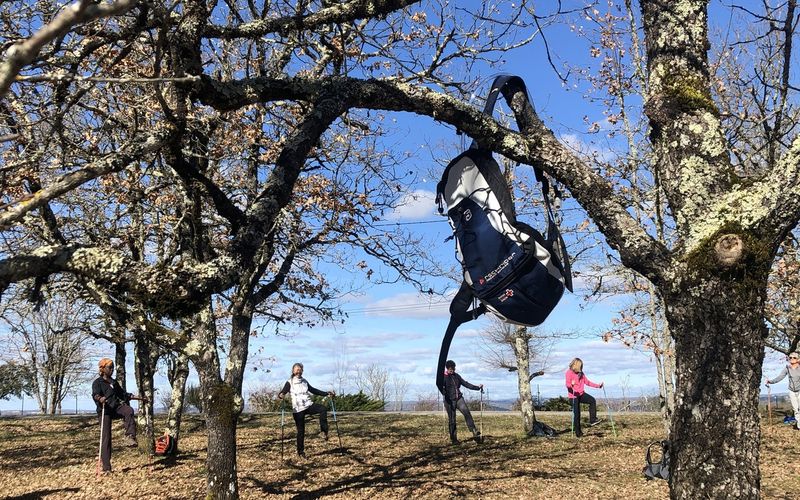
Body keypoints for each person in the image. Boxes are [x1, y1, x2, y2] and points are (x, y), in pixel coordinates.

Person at [91, 358, 146, 473]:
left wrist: (140, 398)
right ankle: (106, 468)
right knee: (106, 438)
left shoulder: (113, 382)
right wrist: (100, 398)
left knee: (128, 410)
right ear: (103, 369)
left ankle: (130, 437)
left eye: (112, 368)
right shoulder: (97, 382)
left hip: (115, 408)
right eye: (109, 368)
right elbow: (95, 395)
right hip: (105, 411)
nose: (112, 370)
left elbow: (123, 395)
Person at [278, 363, 335, 458]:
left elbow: (313, 390)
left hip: (308, 405)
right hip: (298, 409)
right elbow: (283, 392)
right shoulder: (290, 382)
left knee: (323, 409)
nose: (298, 371)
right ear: (293, 371)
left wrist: (326, 394)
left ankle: (323, 431)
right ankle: (300, 452)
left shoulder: (304, 381)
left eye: (300, 369)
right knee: (301, 431)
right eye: (296, 369)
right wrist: (281, 395)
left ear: (302, 371)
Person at [442, 360, 483, 444]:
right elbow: (440, 386)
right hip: (449, 401)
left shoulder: (457, 376)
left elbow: (466, 384)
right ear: (447, 368)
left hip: (459, 399)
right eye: (450, 368)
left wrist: (477, 388)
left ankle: (474, 430)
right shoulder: (443, 377)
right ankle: (454, 439)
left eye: (453, 368)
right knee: (452, 420)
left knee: (467, 412)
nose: (452, 370)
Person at [565, 357, 603, 437]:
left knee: (592, 400)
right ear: (576, 365)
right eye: (580, 366)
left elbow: (587, 382)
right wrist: (571, 384)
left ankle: (593, 419)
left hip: (581, 394)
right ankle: (578, 433)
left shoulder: (581, 373)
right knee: (577, 414)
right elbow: (567, 385)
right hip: (573, 396)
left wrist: (598, 386)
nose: (581, 368)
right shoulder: (569, 373)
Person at [765, 351, 800, 431]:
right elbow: (780, 377)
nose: (792, 359)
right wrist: (771, 381)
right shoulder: (787, 368)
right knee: (796, 409)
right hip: (792, 391)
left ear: (798, 359)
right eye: (790, 357)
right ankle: (799, 426)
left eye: (794, 357)